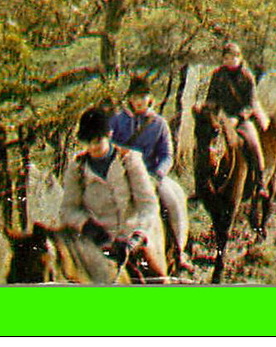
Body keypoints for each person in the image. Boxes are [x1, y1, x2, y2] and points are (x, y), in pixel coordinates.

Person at [58, 106, 163, 277]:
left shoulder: (129, 160)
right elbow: (68, 209)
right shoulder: (76, 168)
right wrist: (87, 225)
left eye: (98, 140)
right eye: (88, 141)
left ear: (109, 135)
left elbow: (148, 204)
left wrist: (136, 238)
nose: (93, 146)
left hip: (130, 238)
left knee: (158, 280)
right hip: (96, 243)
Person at [109, 75, 194, 273]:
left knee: (173, 200)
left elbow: (167, 155)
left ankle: (179, 252)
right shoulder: (118, 121)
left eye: (143, 96)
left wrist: (157, 175)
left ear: (149, 98)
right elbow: (107, 146)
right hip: (122, 174)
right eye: (135, 97)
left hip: (151, 176)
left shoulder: (159, 124)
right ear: (129, 99)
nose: (138, 101)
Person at [205, 43, 272, 201]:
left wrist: (238, 118)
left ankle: (261, 182)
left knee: (253, 143)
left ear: (239, 57)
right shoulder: (217, 75)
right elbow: (211, 97)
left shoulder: (247, 76)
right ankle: (203, 184)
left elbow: (251, 104)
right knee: (206, 142)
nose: (230, 61)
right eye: (227, 57)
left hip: (242, 118)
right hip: (222, 118)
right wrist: (210, 108)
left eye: (233, 57)